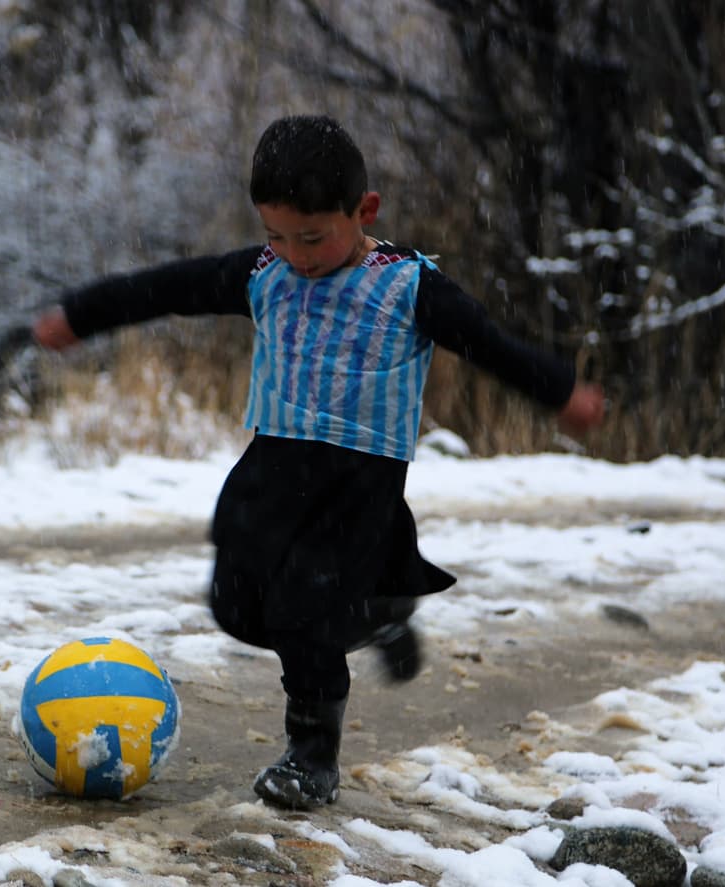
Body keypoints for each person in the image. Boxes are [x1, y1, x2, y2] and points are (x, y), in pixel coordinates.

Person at [32, 114, 605, 809]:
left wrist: (559, 390)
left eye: (312, 236)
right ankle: (378, 608)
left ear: (363, 211)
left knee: (303, 612)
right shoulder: (263, 273)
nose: (295, 254)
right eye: (276, 234)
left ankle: (312, 755)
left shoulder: (408, 286)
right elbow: (166, 288)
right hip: (273, 466)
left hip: (357, 484)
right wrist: (81, 315)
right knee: (238, 606)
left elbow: (489, 343)